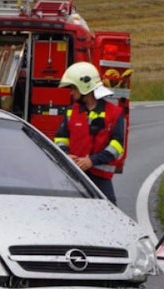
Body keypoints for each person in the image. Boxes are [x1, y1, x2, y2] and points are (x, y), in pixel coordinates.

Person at [54, 61, 126, 204]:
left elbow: (117, 146)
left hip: (100, 179)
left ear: (84, 86)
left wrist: (91, 161)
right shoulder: (70, 111)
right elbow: (60, 138)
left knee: (110, 213)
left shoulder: (114, 113)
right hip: (74, 175)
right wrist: (67, 156)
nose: (71, 92)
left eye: (74, 88)